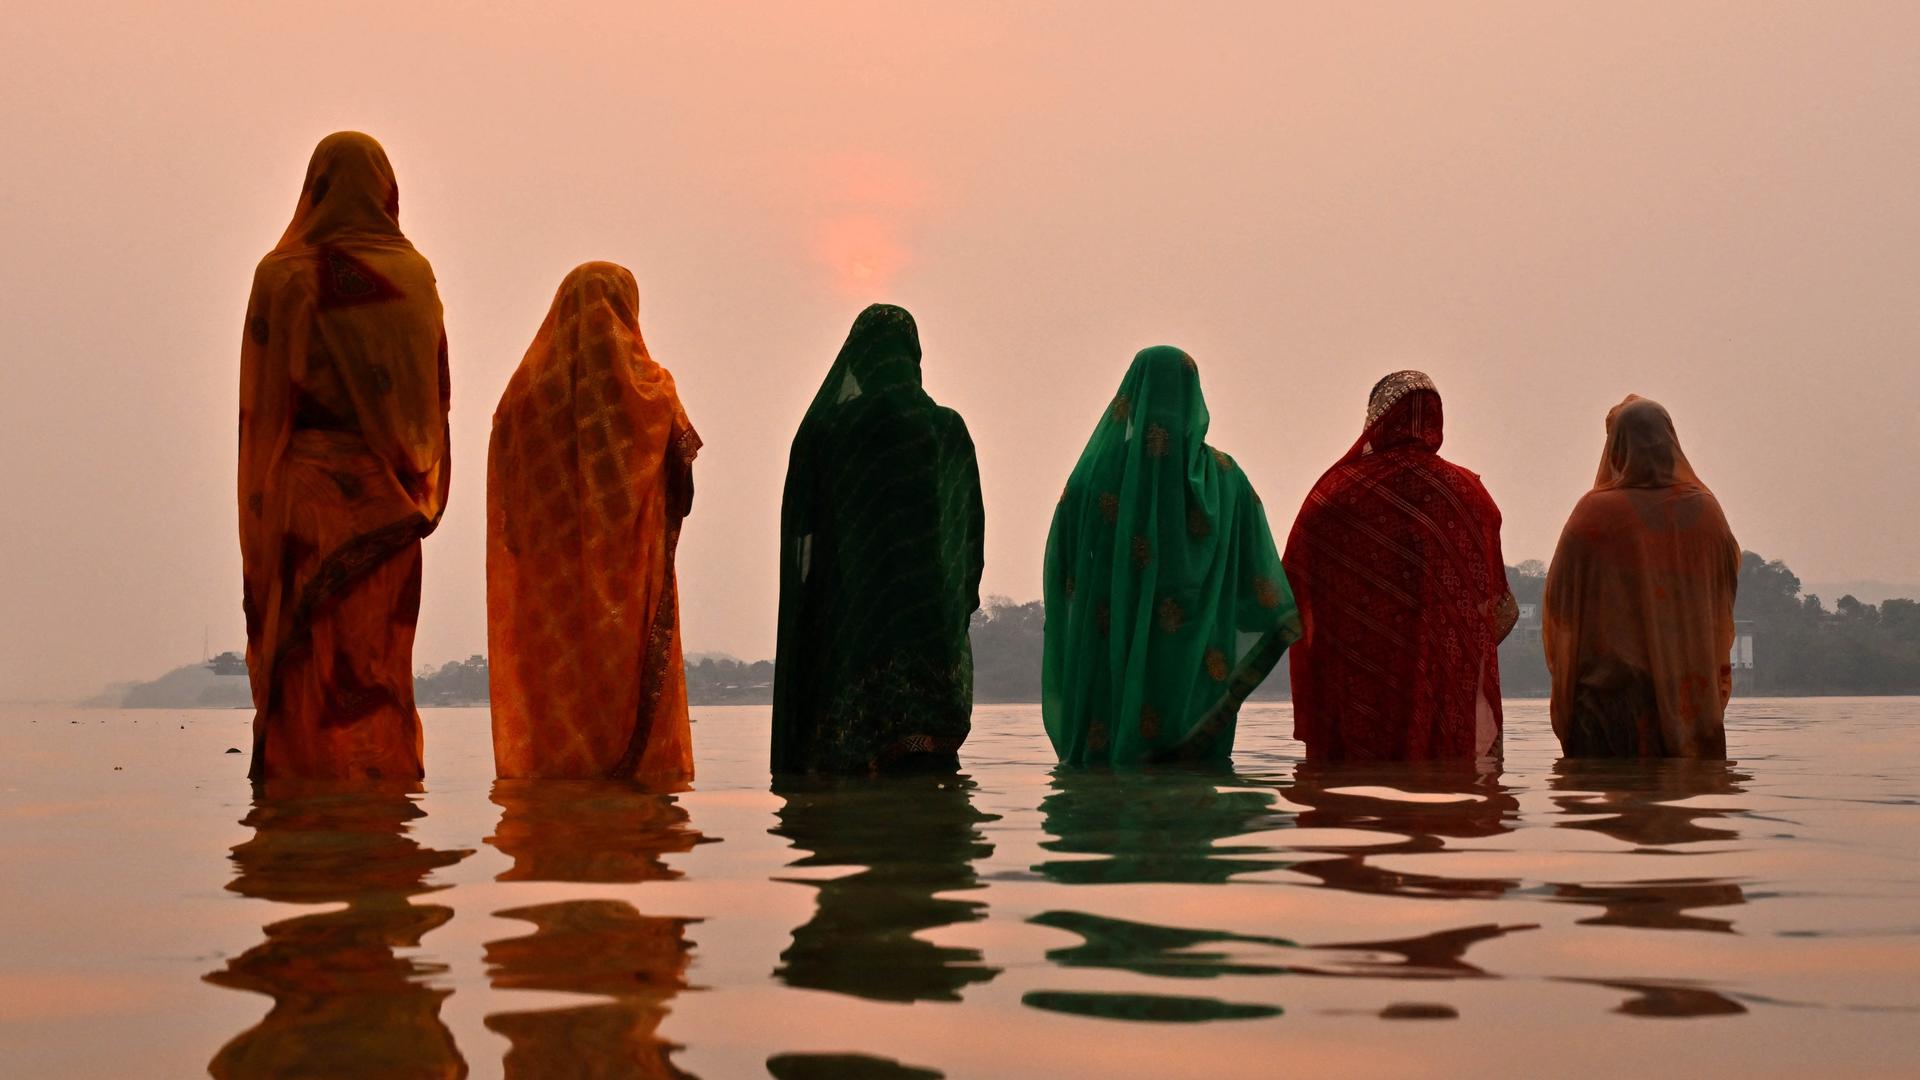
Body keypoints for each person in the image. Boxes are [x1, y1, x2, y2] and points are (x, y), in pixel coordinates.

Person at [238, 132, 451, 782]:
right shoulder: (410, 278)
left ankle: (302, 794)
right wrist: (419, 481)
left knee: (307, 654)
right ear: (387, 189)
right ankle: (380, 795)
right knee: (377, 654)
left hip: (307, 498)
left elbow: (262, 410)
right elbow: (431, 398)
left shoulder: (282, 274)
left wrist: (262, 505)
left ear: (315, 188)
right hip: (390, 498)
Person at [487, 262, 700, 781]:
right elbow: (682, 482)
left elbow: (508, 503)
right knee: (621, 684)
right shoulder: (649, 389)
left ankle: (557, 801)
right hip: (626, 582)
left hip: (545, 585)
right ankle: (630, 793)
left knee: (558, 693)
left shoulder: (522, 395)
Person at [1042, 346, 1299, 765]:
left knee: (1105, 783)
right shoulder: (1226, 479)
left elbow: (1065, 571)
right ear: (1194, 396)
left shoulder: (1094, 478)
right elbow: (1259, 587)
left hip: (1114, 654)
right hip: (1198, 665)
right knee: (1194, 787)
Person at [771, 304, 984, 774]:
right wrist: (959, 599)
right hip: (932, 624)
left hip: (852, 620)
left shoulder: (829, 429)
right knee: (930, 775)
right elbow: (969, 532)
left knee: (856, 769)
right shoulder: (947, 428)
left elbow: (805, 532)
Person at [1284, 371, 1515, 762]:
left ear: (1376, 416)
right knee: (1453, 803)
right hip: (1445, 689)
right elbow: (1497, 607)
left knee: (1348, 803)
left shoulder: (1335, 494)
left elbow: (1294, 590)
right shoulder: (1469, 496)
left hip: (1357, 686)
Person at [1544, 395, 1739, 757]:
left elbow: (1560, 605)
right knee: (1690, 808)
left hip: (1611, 709)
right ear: (1671, 445)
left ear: (1616, 450)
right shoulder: (1706, 513)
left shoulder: (1594, 513)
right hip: (1691, 708)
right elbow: (1722, 603)